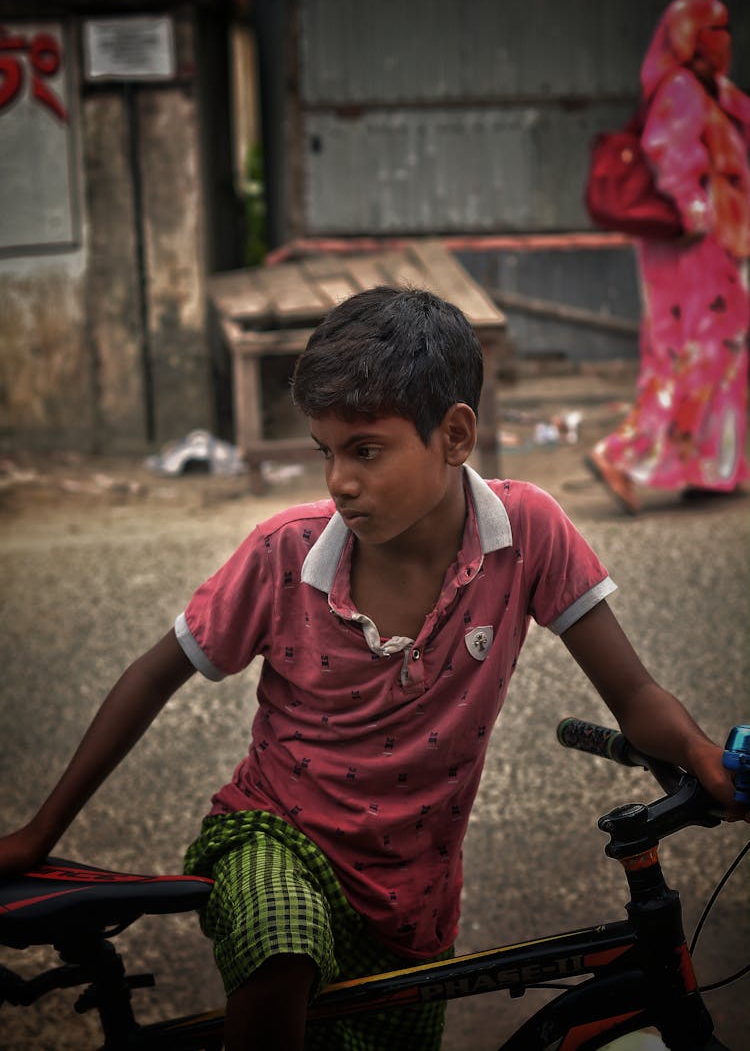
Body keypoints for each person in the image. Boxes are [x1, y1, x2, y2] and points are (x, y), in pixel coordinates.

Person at [0, 287, 745, 1051]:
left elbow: (634, 692)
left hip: (413, 902)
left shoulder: (528, 533)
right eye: (326, 451)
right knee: (281, 940)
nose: (338, 481)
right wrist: (39, 831)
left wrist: (695, 751)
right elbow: (155, 672)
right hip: (274, 836)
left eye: (365, 450)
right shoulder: (283, 553)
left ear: (454, 435)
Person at [586, 0, 750, 514]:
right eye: (712, 31)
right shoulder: (679, 90)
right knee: (689, 360)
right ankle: (621, 453)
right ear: (688, 37)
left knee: (723, 360)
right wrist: (697, 215)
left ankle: (711, 470)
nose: (724, 41)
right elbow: (671, 155)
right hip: (691, 252)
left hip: (721, 249)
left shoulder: (716, 92)